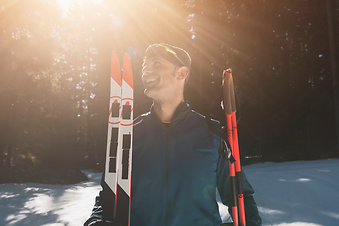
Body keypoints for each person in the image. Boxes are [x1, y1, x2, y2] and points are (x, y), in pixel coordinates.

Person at [84, 43, 262, 226]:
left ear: (181, 73)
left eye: (157, 64)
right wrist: (95, 221)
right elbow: (107, 197)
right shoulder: (128, 134)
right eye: (144, 65)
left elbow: (240, 195)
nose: (146, 70)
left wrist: (250, 223)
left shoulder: (213, 134)